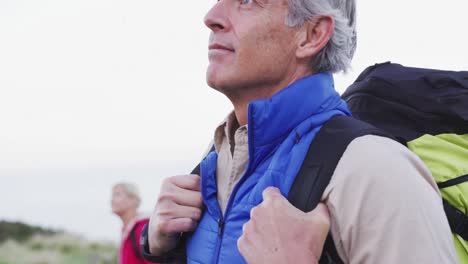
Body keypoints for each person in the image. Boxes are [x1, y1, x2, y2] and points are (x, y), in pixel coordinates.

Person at [141, 0, 458, 263]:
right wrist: (157, 250)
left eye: (248, 2)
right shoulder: (217, 161)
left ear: (312, 34)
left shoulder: (375, 170)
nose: (212, 17)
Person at [111, 182, 154, 264]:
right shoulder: (128, 231)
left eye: (117, 195)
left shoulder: (141, 229)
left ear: (133, 200)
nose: (111, 200)